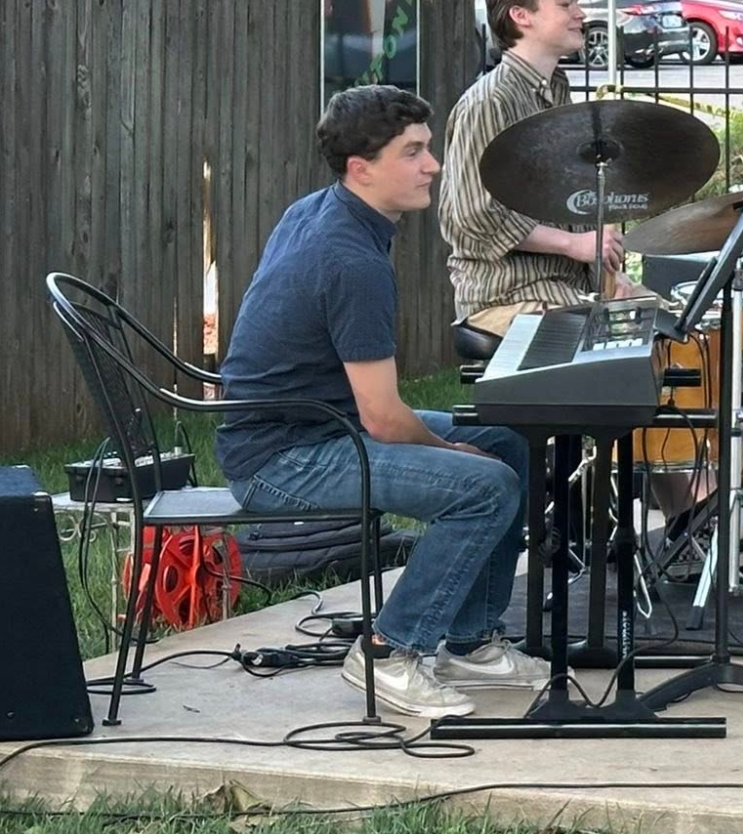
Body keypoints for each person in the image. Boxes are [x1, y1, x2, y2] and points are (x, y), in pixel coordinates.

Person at [218, 87, 544, 718]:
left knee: (504, 438)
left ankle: (470, 642)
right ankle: (389, 651)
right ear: (361, 168)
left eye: (429, 147)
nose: (434, 165)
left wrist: (460, 447)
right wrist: (448, 450)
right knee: (485, 484)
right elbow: (385, 418)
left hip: (313, 427)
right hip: (284, 459)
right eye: (414, 152)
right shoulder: (350, 260)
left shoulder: (324, 212)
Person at [438, 0, 627, 339]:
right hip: (507, 294)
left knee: (674, 330)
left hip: (566, 287)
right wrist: (574, 243)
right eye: (565, 3)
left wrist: (611, 274)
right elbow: (476, 215)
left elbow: (573, 199)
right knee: (622, 341)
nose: (580, 13)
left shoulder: (556, 93)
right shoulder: (490, 102)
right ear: (521, 15)